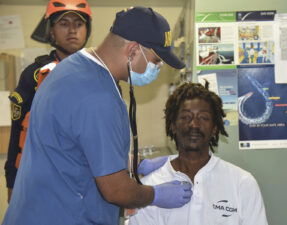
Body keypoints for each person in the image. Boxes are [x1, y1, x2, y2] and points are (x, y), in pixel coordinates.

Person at [2, 6, 192, 225]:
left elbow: (71, 145)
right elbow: (116, 190)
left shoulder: (71, 67)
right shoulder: (97, 95)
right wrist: (156, 195)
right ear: (132, 51)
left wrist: (133, 163)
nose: (157, 68)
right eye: (156, 60)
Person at [129, 82, 269, 225]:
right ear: (173, 126)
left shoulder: (242, 183)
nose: (194, 125)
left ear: (214, 128)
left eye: (203, 118)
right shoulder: (151, 188)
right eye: (185, 117)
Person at [4, 0, 92, 203]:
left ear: (87, 30)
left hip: (89, 182)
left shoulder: (102, 73)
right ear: (51, 31)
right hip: (43, 182)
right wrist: (12, 184)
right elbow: (18, 133)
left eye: (78, 24)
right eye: (63, 23)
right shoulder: (35, 75)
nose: (72, 30)